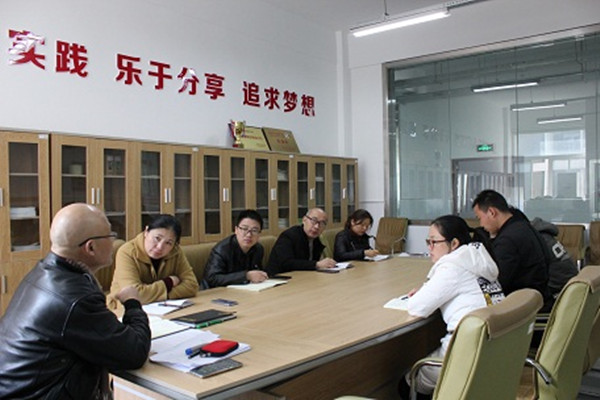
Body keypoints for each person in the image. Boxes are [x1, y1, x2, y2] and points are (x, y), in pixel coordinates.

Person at [0, 203, 151, 399]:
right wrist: (132, 304)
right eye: (110, 235)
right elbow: (134, 352)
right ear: (91, 247)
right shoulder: (75, 298)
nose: (114, 241)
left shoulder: (43, 271)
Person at [398, 215, 504, 399]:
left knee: (406, 383)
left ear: (454, 243)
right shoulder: (477, 259)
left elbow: (417, 307)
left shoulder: (453, 266)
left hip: (467, 354)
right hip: (493, 351)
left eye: (434, 242)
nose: (429, 248)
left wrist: (424, 292)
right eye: (428, 242)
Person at [471, 189, 552, 310]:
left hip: (523, 308)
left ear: (492, 212)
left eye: (479, 218)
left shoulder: (507, 240)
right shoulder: (523, 227)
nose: (481, 225)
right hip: (539, 298)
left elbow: (498, 285)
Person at [108, 214, 199, 307]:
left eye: (168, 243)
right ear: (146, 232)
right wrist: (169, 282)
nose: (160, 247)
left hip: (162, 308)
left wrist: (161, 296)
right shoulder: (127, 252)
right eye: (157, 238)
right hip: (123, 308)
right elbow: (133, 295)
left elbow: (192, 286)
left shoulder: (176, 251)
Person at [203, 209, 268, 288]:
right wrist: (246, 276)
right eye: (244, 229)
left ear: (259, 234)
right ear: (236, 230)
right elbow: (212, 278)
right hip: (216, 292)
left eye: (254, 230)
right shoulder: (222, 250)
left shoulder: (258, 249)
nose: (249, 235)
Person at [266, 207, 337, 276]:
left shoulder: (316, 239)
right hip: (280, 278)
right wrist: (317, 264)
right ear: (304, 220)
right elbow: (286, 263)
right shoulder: (289, 236)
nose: (317, 226)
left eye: (322, 223)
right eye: (314, 220)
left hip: (303, 276)